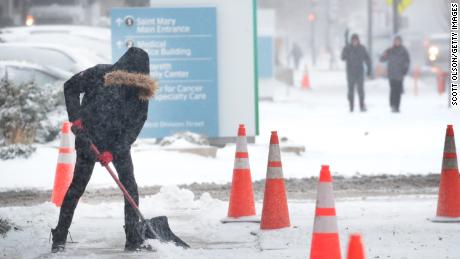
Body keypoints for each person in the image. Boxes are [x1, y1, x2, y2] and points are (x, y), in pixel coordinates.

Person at [51, 47, 157, 252]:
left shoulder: (140, 92)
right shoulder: (99, 73)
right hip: (88, 137)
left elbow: (136, 124)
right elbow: (70, 87)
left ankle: (133, 238)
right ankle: (60, 236)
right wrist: (76, 118)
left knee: (130, 188)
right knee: (77, 187)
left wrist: (114, 151)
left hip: (117, 143)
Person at [341, 33, 372, 112]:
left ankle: (361, 105)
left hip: (359, 72)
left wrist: (369, 70)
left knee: (360, 90)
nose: (355, 42)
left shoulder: (362, 48)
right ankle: (351, 106)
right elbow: (342, 58)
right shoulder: (348, 48)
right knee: (350, 90)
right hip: (350, 72)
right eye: (353, 40)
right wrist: (345, 50)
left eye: (356, 40)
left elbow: (367, 59)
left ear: (358, 41)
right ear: (351, 41)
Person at [380, 36, 410, 113]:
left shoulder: (404, 51)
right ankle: (392, 105)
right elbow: (382, 59)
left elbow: (407, 61)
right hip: (392, 74)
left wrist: (405, 69)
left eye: (398, 41)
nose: (397, 42)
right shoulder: (390, 50)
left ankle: (397, 106)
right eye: (396, 41)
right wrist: (384, 55)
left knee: (398, 91)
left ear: (400, 42)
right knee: (393, 90)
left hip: (400, 74)